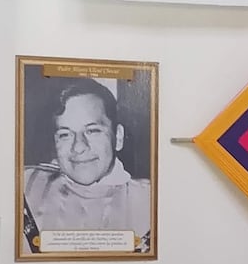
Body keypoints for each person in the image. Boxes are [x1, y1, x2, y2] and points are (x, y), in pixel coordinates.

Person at [22, 78, 152, 252]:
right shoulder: (26, 186)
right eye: (65, 134)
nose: (78, 147)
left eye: (92, 131)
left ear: (118, 137)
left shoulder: (152, 201)